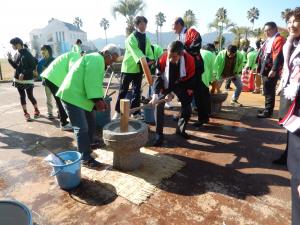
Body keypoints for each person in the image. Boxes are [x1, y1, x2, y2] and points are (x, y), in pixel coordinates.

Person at [56, 44, 120, 168]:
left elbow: (93, 83)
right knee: (81, 127)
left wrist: (98, 100)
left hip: (80, 96)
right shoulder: (97, 59)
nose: (112, 62)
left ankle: (89, 143)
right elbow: (90, 82)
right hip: (72, 96)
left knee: (91, 120)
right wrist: (98, 101)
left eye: (114, 60)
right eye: (112, 58)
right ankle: (84, 158)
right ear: (106, 52)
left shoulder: (98, 60)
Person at [278, 7, 300, 225]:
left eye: (297, 21)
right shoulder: (290, 44)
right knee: (289, 130)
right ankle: (288, 157)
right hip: (290, 94)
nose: (292, 24)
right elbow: (287, 68)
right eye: (290, 21)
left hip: (298, 99)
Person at [150, 41, 195, 146]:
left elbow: (190, 78)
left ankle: (180, 130)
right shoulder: (162, 58)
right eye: (169, 56)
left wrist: (173, 93)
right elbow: (158, 77)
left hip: (183, 83)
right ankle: (159, 134)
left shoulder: (189, 60)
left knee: (187, 108)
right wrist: (155, 95)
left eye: (174, 57)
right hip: (166, 82)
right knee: (158, 105)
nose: (170, 59)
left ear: (181, 54)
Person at [113, 16, 154, 119]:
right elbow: (137, 53)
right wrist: (146, 60)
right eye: (141, 24)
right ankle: (118, 112)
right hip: (128, 68)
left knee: (137, 91)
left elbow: (149, 52)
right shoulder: (131, 38)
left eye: (145, 24)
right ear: (136, 25)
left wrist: (151, 59)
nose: (143, 26)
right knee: (123, 90)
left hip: (139, 69)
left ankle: (135, 113)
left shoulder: (147, 39)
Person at [173, 17, 208, 127]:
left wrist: (184, 50)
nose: (172, 28)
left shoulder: (191, 32)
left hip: (195, 68)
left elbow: (196, 45)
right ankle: (185, 114)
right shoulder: (178, 36)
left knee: (198, 93)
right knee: (186, 92)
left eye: (173, 25)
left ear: (179, 24)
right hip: (185, 69)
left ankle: (202, 118)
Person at [41, 51, 80, 130]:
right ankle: (64, 123)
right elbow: (74, 71)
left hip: (51, 77)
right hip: (53, 78)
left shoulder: (72, 54)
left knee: (60, 100)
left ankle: (64, 120)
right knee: (61, 99)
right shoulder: (77, 56)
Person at [256, 22, 285, 118]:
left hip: (271, 68)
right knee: (266, 89)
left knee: (269, 89)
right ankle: (266, 108)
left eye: (268, 30)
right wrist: (259, 66)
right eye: (265, 30)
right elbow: (262, 53)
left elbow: (278, 55)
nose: (266, 32)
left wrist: (274, 69)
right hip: (266, 67)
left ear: (275, 29)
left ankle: (268, 111)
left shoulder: (278, 39)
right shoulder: (269, 39)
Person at [7, 37, 40, 121]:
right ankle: (26, 113)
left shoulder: (27, 54)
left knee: (30, 96)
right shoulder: (17, 54)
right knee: (22, 96)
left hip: (28, 78)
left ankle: (36, 110)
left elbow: (32, 66)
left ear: (17, 44)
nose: (12, 47)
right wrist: (10, 59)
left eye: (12, 45)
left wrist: (23, 73)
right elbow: (16, 66)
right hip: (18, 79)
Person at [37, 45, 55, 119]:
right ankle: (50, 113)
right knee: (48, 98)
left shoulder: (54, 60)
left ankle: (60, 111)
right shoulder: (41, 61)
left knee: (57, 98)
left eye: (44, 50)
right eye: (41, 50)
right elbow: (39, 73)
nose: (42, 51)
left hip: (55, 81)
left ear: (48, 50)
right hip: (46, 82)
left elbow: (57, 70)